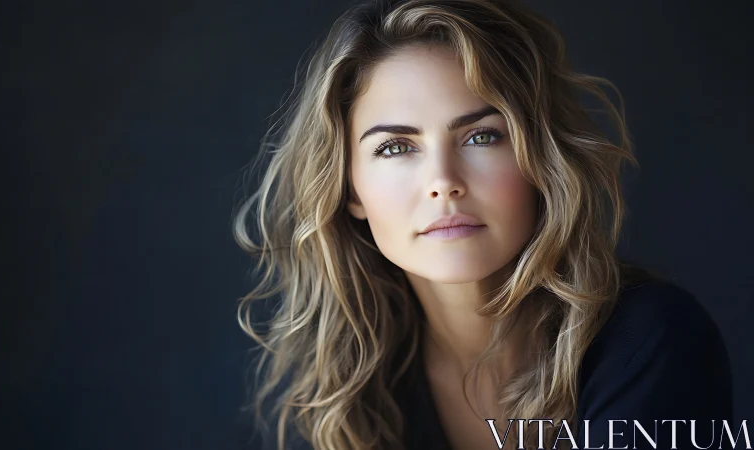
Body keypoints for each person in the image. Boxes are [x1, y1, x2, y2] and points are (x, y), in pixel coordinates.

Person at [232, 1, 734, 449]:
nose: (443, 182)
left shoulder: (651, 342)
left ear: (542, 158)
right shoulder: (349, 390)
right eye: (395, 147)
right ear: (349, 191)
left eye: (482, 137)